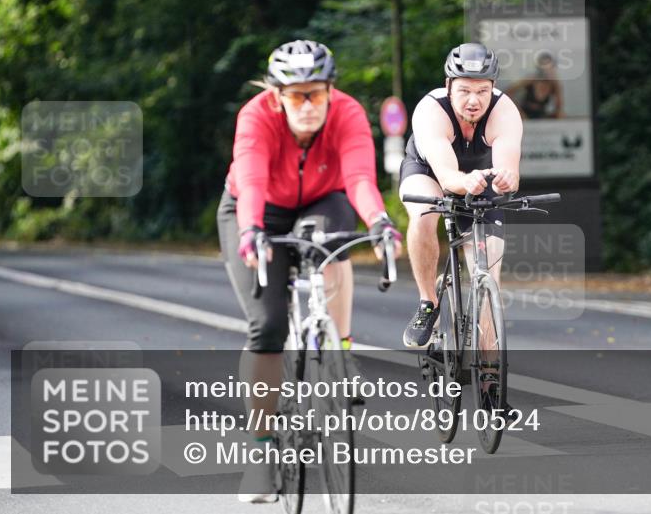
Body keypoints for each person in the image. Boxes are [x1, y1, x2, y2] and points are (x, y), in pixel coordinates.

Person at [216, 39, 401, 503]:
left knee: (335, 243)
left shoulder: (348, 113)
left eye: (315, 93)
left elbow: (359, 177)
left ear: (330, 91)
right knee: (268, 327)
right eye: (295, 94)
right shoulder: (255, 117)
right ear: (277, 94)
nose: (306, 104)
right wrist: (251, 230)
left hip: (322, 198)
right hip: (255, 210)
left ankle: (340, 350)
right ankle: (261, 453)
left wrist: (379, 222)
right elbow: (253, 177)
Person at [398, 42, 523, 348]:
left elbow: (510, 171)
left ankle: (490, 380)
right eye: (465, 90)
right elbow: (447, 178)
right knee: (424, 213)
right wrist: (466, 182)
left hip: (480, 178)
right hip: (430, 173)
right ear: (448, 86)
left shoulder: (504, 111)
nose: (473, 100)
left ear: (492, 89)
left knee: (490, 274)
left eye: (482, 91)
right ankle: (428, 302)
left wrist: (507, 180)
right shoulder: (431, 111)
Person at [506, 51, 564, 119]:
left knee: (562, 116)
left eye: (549, 67)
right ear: (539, 67)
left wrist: (558, 115)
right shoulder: (530, 80)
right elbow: (507, 93)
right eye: (544, 67)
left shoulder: (554, 84)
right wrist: (519, 112)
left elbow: (559, 106)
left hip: (541, 115)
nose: (546, 70)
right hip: (524, 114)